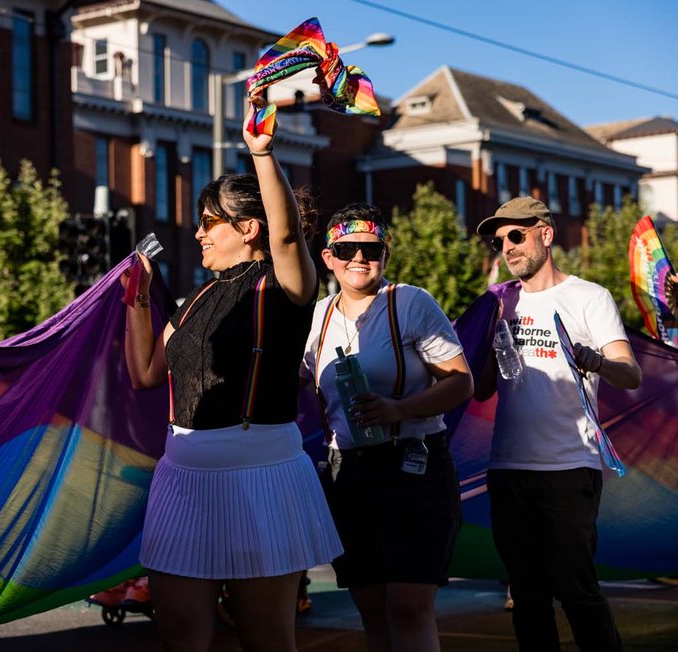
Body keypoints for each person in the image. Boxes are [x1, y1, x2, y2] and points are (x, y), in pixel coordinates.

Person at [121, 99, 342, 652]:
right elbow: (147, 374)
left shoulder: (283, 284)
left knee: (266, 640)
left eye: (208, 223)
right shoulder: (194, 300)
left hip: (261, 479)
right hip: (182, 479)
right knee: (180, 637)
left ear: (247, 228)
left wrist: (261, 151)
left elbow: (288, 238)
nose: (197, 234)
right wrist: (138, 299)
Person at [302, 203, 473, 652]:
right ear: (328, 256)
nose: (359, 258)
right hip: (348, 473)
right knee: (372, 609)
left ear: (385, 255)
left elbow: (461, 382)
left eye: (371, 249)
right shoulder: (315, 318)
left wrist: (399, 409)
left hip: (413, 466)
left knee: (408, 605)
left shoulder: (410, 302)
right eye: (347, 248)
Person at [473, 196, 641, 652]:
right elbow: (482, 389)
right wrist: (484, 346)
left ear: (546, 234)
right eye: (498, 240)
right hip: (508, 467)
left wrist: (595, 359)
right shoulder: (496, 303)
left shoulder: (588, 296)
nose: (506, 246)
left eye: (516, 235)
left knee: (576, 590)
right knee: (526, 597)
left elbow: (631, 374)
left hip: (570, 465)